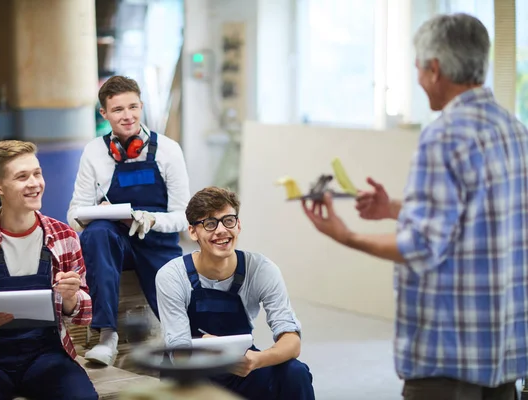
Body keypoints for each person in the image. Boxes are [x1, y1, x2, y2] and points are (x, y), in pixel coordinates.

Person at [302, 13, 528, 400]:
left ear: (435, 69)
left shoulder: (442, 136)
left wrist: (347, 235)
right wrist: (393, 208)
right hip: (503, 351)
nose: (419, 80)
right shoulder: (513, 129)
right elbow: (479, 216)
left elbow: (419, 247)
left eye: (418, 70)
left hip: (449, 356)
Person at [0, 140, 97, 400]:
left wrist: (71, 297)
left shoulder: (64, 236)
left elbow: (84, 310)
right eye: (22, 177)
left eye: (37, 173)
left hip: (49, 356)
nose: (35, 183)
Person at [67, 76, 190, 366]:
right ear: (104, 114)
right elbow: (73, 212)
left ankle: (182, 351)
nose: (127, 116)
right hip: (115, 244)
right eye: (118, 109)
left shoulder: (169, 150)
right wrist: (97, 214)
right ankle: (107, 337)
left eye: (133, 107)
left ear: (142, 106)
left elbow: (184, 215)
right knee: (97, 233)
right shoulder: (94, 152)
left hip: (156, 242)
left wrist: (151, 221)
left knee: (181, 318)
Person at [156, 187, 315, 400]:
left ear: (238, 225)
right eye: (210, 224)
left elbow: (291, 340)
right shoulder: (172, 275)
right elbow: (178, 351)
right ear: (193, 231)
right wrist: (209, 348)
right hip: (191, 371)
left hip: (241, 368)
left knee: (296, 373)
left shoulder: (262, 269)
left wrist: (258, 359)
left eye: (228, 220)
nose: (221, 230)